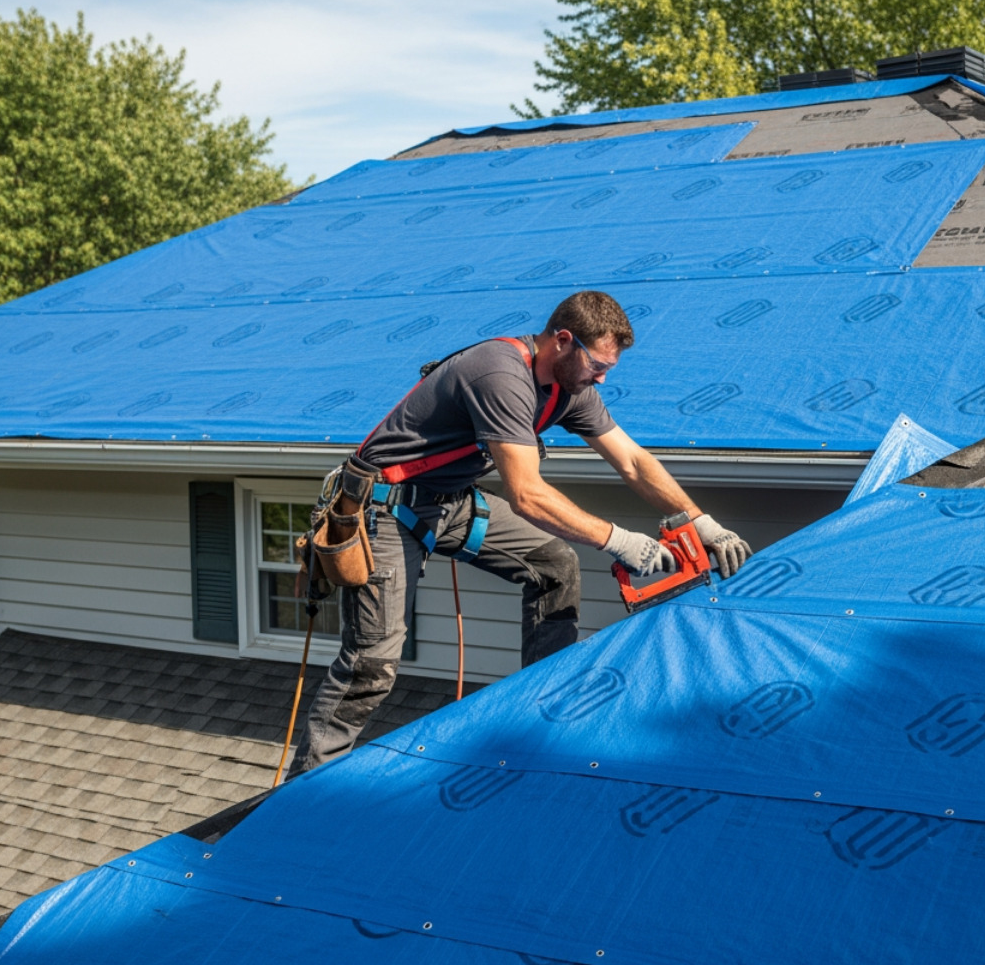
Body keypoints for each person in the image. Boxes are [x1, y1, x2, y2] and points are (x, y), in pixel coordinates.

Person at [285, 290, 753, 778]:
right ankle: (306, 788)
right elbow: (528, 495)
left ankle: (543, 713)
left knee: (554, 565)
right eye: (597, 364)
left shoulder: (568, 389)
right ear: (563, 341)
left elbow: (633, 462)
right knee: (371, 665)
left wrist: (699, 520)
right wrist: (621, 540)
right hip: (385, 508)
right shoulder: (501, 374)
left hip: (448, 503)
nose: (604, 377)